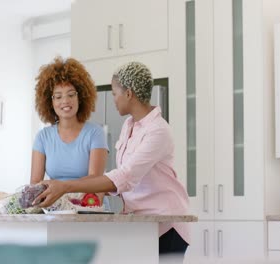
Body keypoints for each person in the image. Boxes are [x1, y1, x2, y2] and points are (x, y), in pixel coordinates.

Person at [35, 61, 191, 255]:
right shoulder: (129, 125)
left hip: (166, 224)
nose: (113, 99)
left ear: (128, 94)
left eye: (115, 93)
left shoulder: (158, 131)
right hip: (141, 223)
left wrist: (66, 186)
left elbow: (126, 176)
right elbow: (121, 177)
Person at [31, 56, 109, 203]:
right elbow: (35, 184)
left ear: (81, 96)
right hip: (55, 209)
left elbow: (96, 180)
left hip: (88, 206)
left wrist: (65, 191)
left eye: (71, 94)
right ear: (50, 101)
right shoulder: (43, 137)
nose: (65, 101)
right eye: (58, 96)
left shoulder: (95, 133)